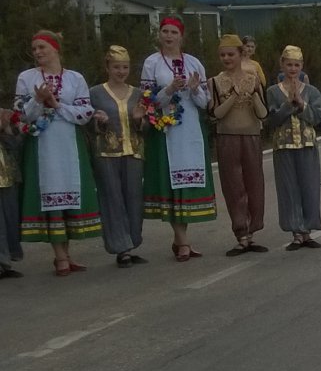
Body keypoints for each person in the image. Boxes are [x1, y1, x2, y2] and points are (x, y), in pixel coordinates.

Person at [15, 30, 101, 274]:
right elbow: (21, 115)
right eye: (34, 49)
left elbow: (85, 113)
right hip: (43, 146)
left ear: (55, 49)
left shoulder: (75, 78)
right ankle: (60, 256)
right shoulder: (27, 78)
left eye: (42, 47)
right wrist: (38, 101)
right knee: (50, 193)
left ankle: (66, 253)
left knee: (70, 193)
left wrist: (56, 104)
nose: (37, 53)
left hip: (69, 145)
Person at [140, 16, 215, 261]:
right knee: (170, 183)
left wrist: (194, 89)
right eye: (165, 31)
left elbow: (205, 103)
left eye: (173, 32)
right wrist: (170, 89)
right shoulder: (152, 63)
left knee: (186, 183)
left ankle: (180, 239)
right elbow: (148, 101)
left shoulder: (194, 62)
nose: (169, 36)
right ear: (159, 35)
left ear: (181, 36)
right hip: (165, 130)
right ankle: (183, 242)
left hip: (190, 129)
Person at [88, 46, 148, 267]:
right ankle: (120, 248)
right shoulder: (95, 93)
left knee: (133, 198)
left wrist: (140, 120)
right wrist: (98, 120)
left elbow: (146, 127)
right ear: (107, 67)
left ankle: (131, 243)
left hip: (134, 151)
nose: (121, 71)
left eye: (125, 67)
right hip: (106, 152)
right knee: (112, 198)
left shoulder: (138, 93)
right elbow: (87, 122)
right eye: (116, 67)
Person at [211, 34, 269, 256]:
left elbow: (262, 113)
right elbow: (215, 113)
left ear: (240, 54)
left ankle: (252, 231)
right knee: (233, 186)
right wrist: (233, 96)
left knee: (254, 184)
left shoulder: (253, 78)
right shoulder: (215, 81)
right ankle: (240, 235)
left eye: (230, 54)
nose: (227, 58)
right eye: (223, 55)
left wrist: (253, 94)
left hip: (251, 135)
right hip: (227, 137)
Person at [264, 46, 321, 250]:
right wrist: (288, 104)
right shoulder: (272, 92)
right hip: (284, 145)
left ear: (302, 66)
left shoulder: (312, 91)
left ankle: (307, 230)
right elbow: (271, 120)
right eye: (289, 64)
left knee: (309, 186)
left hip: (307, 143)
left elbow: (317, 117)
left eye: (296, 65)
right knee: (289, 188)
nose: (292, 68)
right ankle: (296, 231)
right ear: (282, 65)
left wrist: (302, 105)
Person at [0, 106, 23, 277]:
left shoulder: (4, 114)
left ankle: (5, 262)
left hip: (7, 176)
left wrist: (8, 128)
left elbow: (16, 146)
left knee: (10, 220)